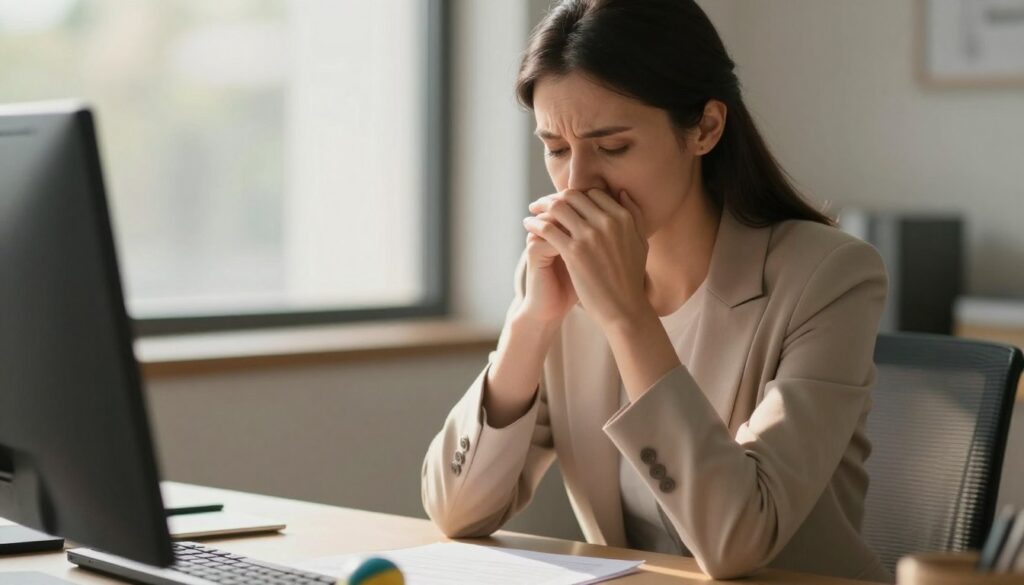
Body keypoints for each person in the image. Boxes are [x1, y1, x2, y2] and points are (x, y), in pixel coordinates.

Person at [421, 0, 890, 581]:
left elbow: (739, 540)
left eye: (613, 147)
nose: (578, 182)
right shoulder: (561, 275)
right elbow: (457, 513)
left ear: (705, 128)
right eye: (557, 149)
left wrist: (627, 317)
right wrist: (530, 321)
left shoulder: (830, 276)